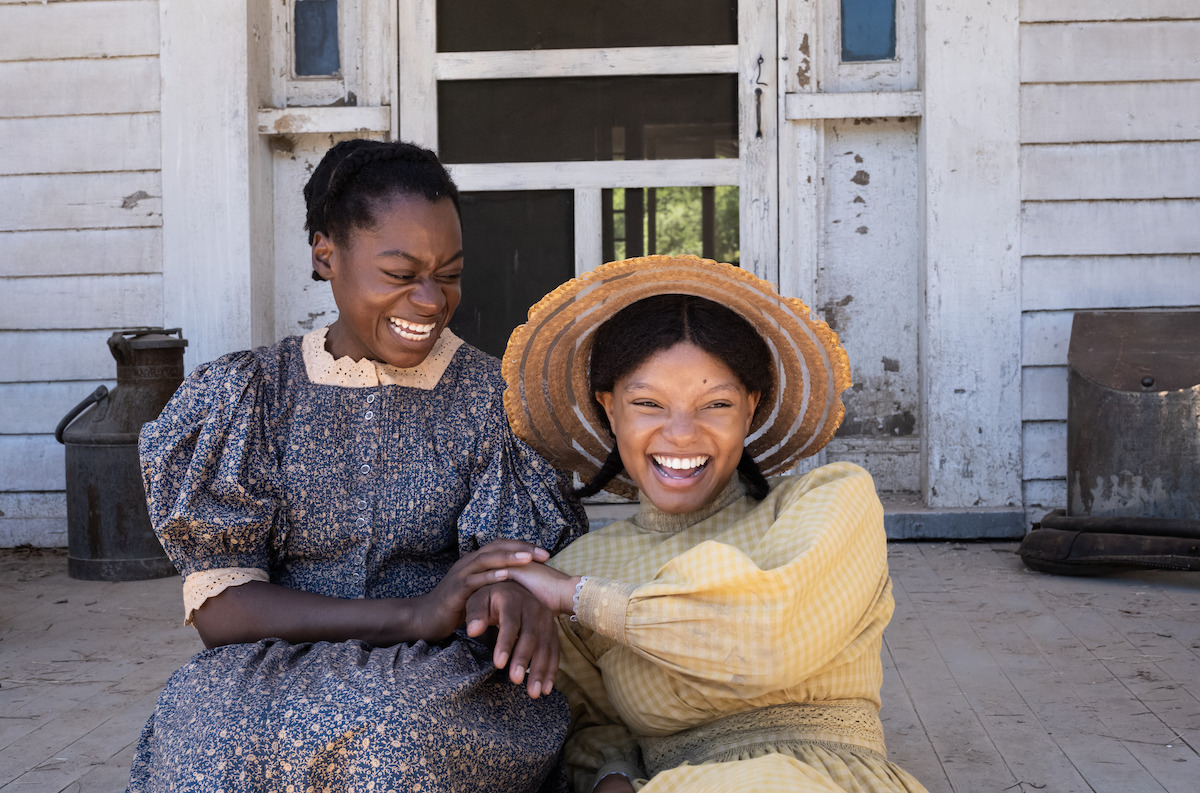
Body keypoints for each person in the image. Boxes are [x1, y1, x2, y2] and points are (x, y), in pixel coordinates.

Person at [130, 139, 587, 793]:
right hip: (274, 663)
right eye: (400, 274)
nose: (430, 300)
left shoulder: (494, 403)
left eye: (449, 273)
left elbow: (505, 571)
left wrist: (506, 597)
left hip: (442, 673)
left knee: (386, 732)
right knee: (202, 724)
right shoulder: (252, 395)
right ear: (326, 255)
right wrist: (411, 613)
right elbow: (221, 610)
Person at [496, 255, 931, 793]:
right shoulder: (579, 567)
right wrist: (611, 774)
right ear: (609, 409)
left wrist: (580, 597)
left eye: (716, 404)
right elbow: (595, 725)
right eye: (648, 403)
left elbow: (765, 642)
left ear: (751, 408)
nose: (682, 433)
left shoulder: (828, 502)